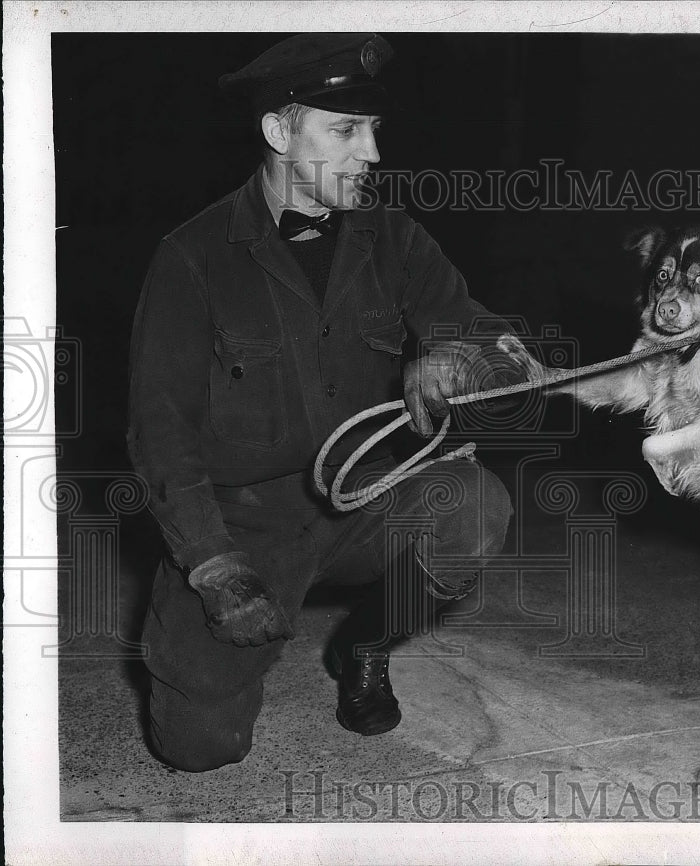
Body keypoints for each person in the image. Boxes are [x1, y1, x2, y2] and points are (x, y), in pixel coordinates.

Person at [127, 33, 522, 772]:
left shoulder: (393, 237)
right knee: (199, 750)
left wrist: (458, 359)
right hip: (245, 524)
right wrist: (212, 565)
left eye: (373, 130)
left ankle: (366, 645)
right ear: (278, 132)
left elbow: (494, 346)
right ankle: (212, 646)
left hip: (368, 500)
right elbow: (161, 433)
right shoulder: (192, 257)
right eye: (344, 130)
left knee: (475, 504)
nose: (370, 152)